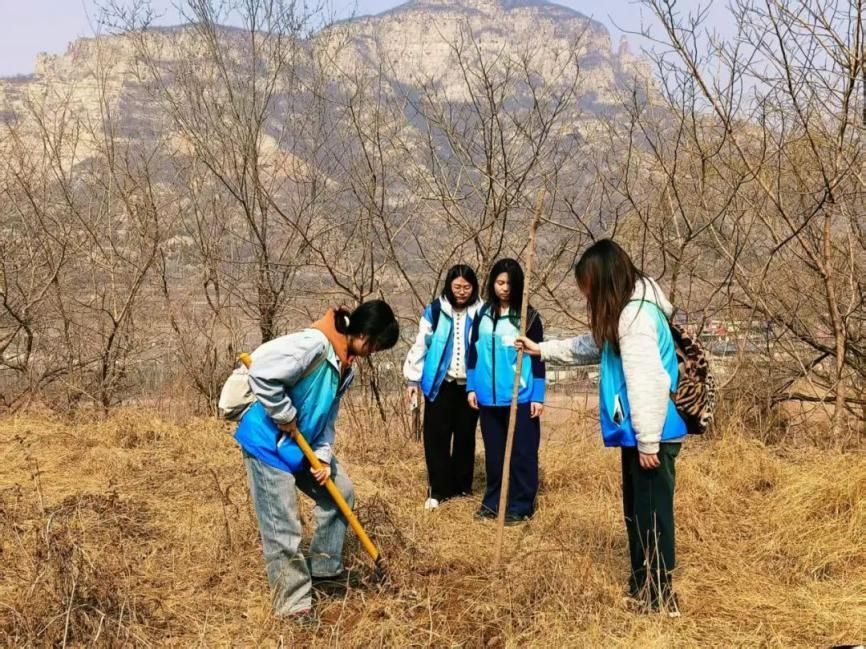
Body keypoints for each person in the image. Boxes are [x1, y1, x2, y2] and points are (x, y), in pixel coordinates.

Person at [516, 239, 685, 617]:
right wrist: (542, 349)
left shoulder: (636, 318)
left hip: (653, 433)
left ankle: (660, 596)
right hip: (642, 432)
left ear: (604, 280)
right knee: (639, 511)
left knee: (652, 515)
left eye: (588, 287)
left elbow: (648, 381)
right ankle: (642, 584)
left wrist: (648, 442)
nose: (586, 296)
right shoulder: (627, 311)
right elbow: (591, 346)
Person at [234, 301, 399, 619]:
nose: (373, 353)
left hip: (303, 445)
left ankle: (324, 571)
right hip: (267, 444)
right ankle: (293, 606)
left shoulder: (346, 366)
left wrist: (322, 459)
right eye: (375, 345)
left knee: (341, 493)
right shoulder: (313, 345)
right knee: (283, 525)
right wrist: (284, 414)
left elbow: (328, 417)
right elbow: (261, 373)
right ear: (364, 334)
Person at [466, 258, 545, 525]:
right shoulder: (483, 314)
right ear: (492, 283)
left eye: (510, 284)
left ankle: (521, 505)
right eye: (500, 282)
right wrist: (472, 386)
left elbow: (539, 357)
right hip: (488, 398)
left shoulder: (528, 317)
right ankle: (493, 503)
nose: (505, 288)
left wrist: (538, 395)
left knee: (523, 453)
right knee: (495, 456)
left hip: (519, 398)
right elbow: (473, 352)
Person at [404, 265, 482, 510]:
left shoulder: (481, 311)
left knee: (465, 437)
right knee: (436, 437)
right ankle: (438, 490)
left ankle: (462, 488)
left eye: (466, 287)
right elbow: (422, 344)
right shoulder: (436, 310)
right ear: (449, 286)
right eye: (457, 287)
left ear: (474, 287)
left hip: (470, 387)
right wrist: (413, 379)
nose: (461, 292)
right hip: (440, 384)